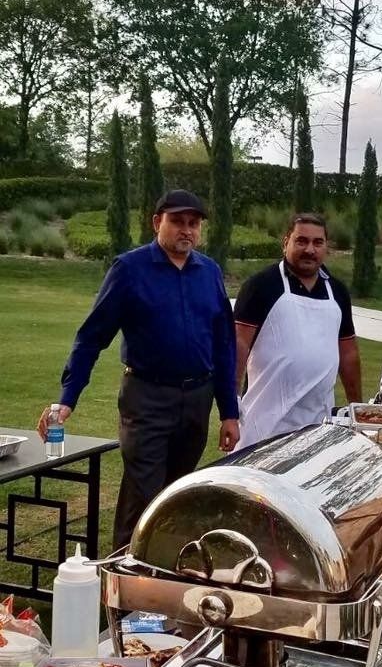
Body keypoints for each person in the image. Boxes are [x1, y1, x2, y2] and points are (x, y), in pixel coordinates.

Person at [37, 189, 239, 549]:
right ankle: (124, 590)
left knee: (177, 496)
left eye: (194, 224)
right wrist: (68, 398)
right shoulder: (129, 269)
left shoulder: (209, 272)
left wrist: (229, 412)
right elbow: (91, 337)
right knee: (144, 497)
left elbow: (223, 345)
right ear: (156, 222)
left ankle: (163, 580)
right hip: (147, 400)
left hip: (197, 400)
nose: (187, 230)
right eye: (178, 221)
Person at [233, 212, 362, 450]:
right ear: (286, 243)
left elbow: (348, 353)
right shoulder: (260, 286)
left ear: (326, 247)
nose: (310, 250)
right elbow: (238, 345)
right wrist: (231, 406)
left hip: (317, 424)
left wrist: (357, 408)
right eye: (301, 241)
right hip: (264, 422)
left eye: (317, 242)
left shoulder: (337, 292)